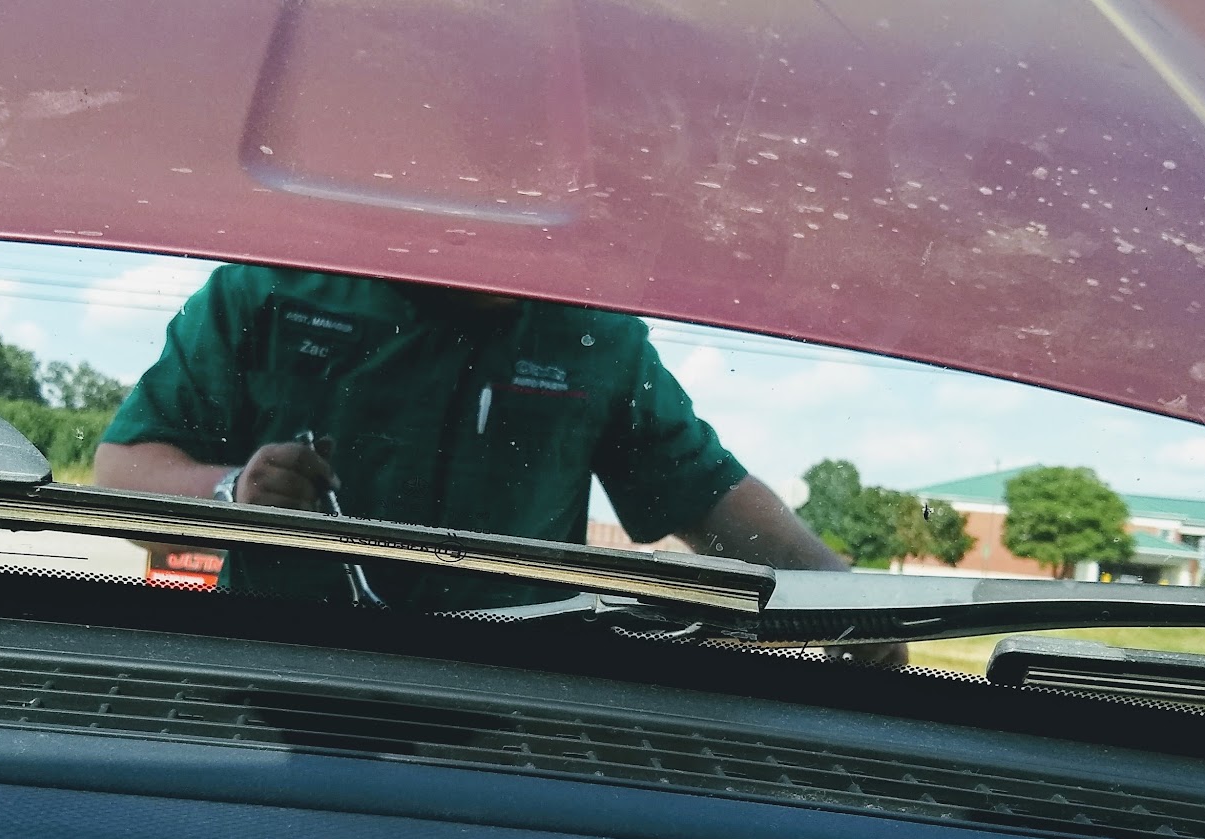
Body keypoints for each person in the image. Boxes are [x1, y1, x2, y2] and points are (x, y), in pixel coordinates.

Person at [95, 263, 900, 658]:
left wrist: (847, 599)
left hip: (511, 704)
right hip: (281, 678)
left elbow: (705, 493)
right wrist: (233, 492)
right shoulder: (266, 291)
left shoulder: (593, 337)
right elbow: (123, 471)